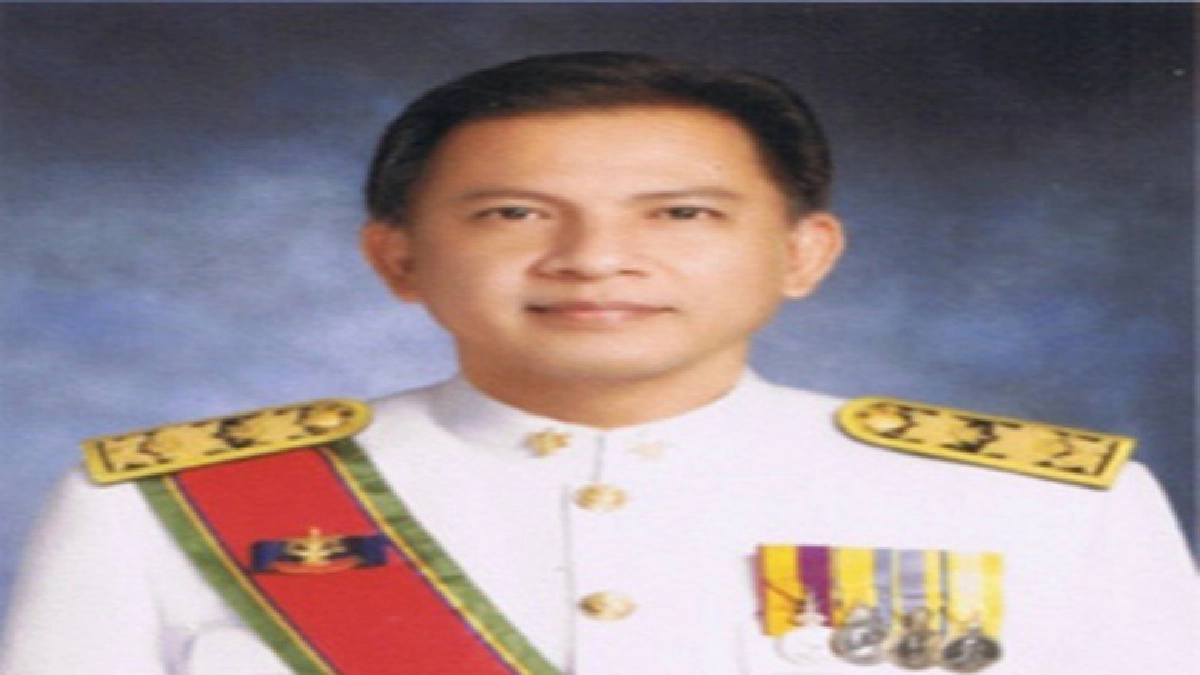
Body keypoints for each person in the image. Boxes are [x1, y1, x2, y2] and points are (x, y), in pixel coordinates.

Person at [1, 52, 1196, 675]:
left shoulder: (1043, 505)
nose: (595, 260)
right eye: (514, 214)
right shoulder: (157, 507)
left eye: (680, 214)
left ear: (803, 253)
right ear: (397, 257)